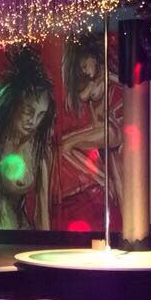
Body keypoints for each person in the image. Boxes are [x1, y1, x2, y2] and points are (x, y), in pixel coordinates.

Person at [0, 45, 55, 229]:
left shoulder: (40, 151)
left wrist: (45, 242)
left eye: (41, 115)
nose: (33, 121)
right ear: (14, 105)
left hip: (25, 231)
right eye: (28, 111)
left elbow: (42, 210)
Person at [60, 34, 123, 213]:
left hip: (110, 130)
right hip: (102, 133)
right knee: (120, 191)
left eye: (85, 65)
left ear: (94, 58)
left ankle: (101, 178)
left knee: (66, 145)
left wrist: (110, 76)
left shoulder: (106, 76)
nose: (85, 71)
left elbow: (127, 85)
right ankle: (103, 178)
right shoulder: (91, 83)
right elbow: (80, 96)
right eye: (81, 68)